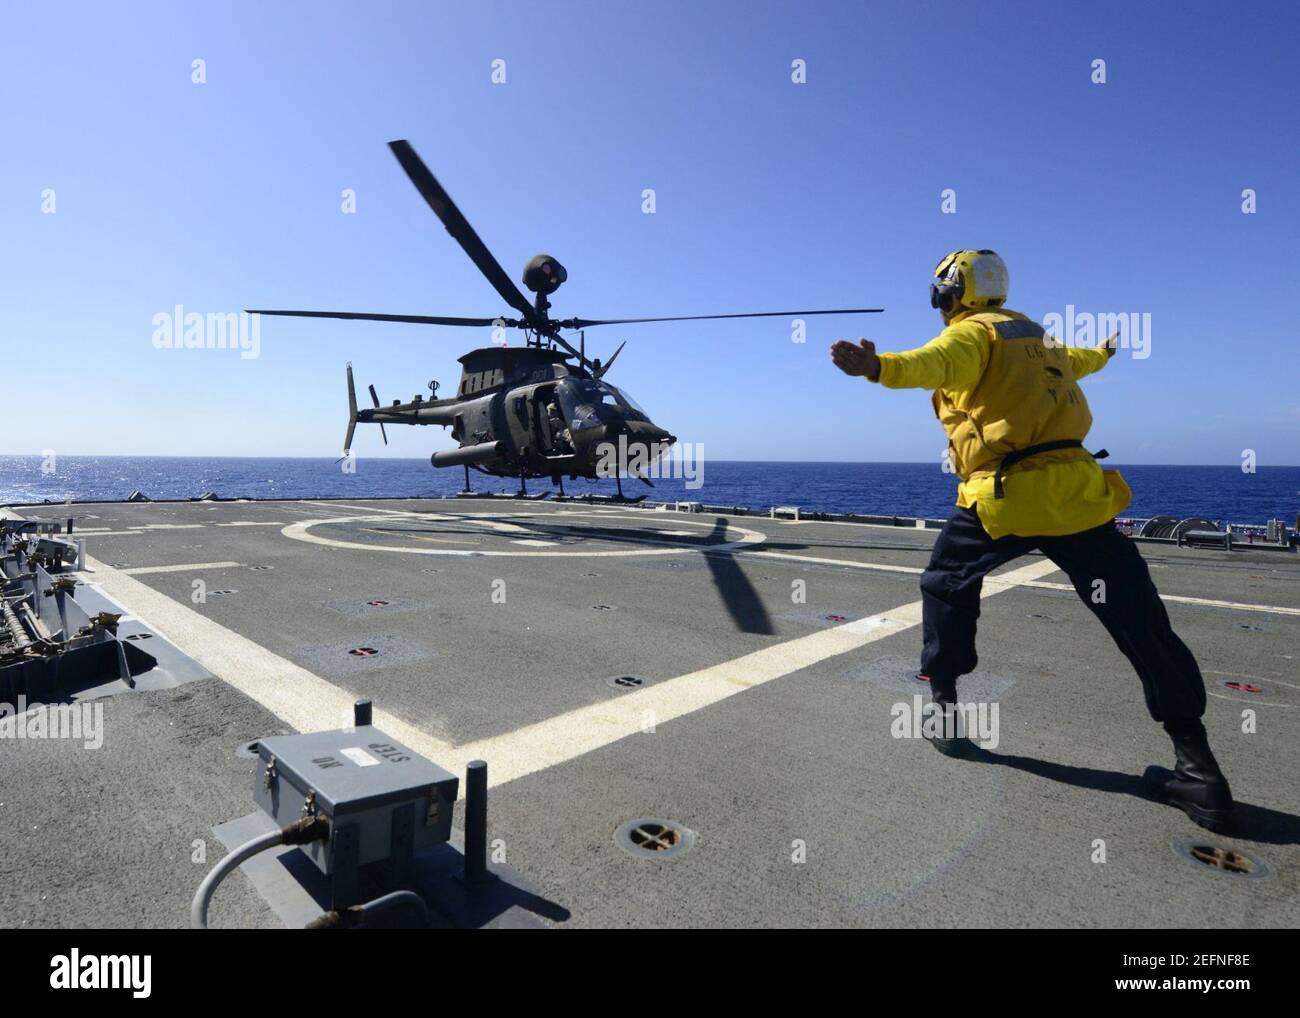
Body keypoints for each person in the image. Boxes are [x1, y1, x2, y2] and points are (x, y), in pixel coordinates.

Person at [830, 249, 1234, 833]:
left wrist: (877, 367)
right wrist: (1106, 352)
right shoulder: (1038, 339)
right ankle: (1199, 769)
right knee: (1139, 619)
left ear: (951, 292)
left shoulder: (972, 335)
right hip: (1078, 493)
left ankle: (944, 709)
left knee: (945, 586)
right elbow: (1081, 360)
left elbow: (930, 363)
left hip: (1006, 496)